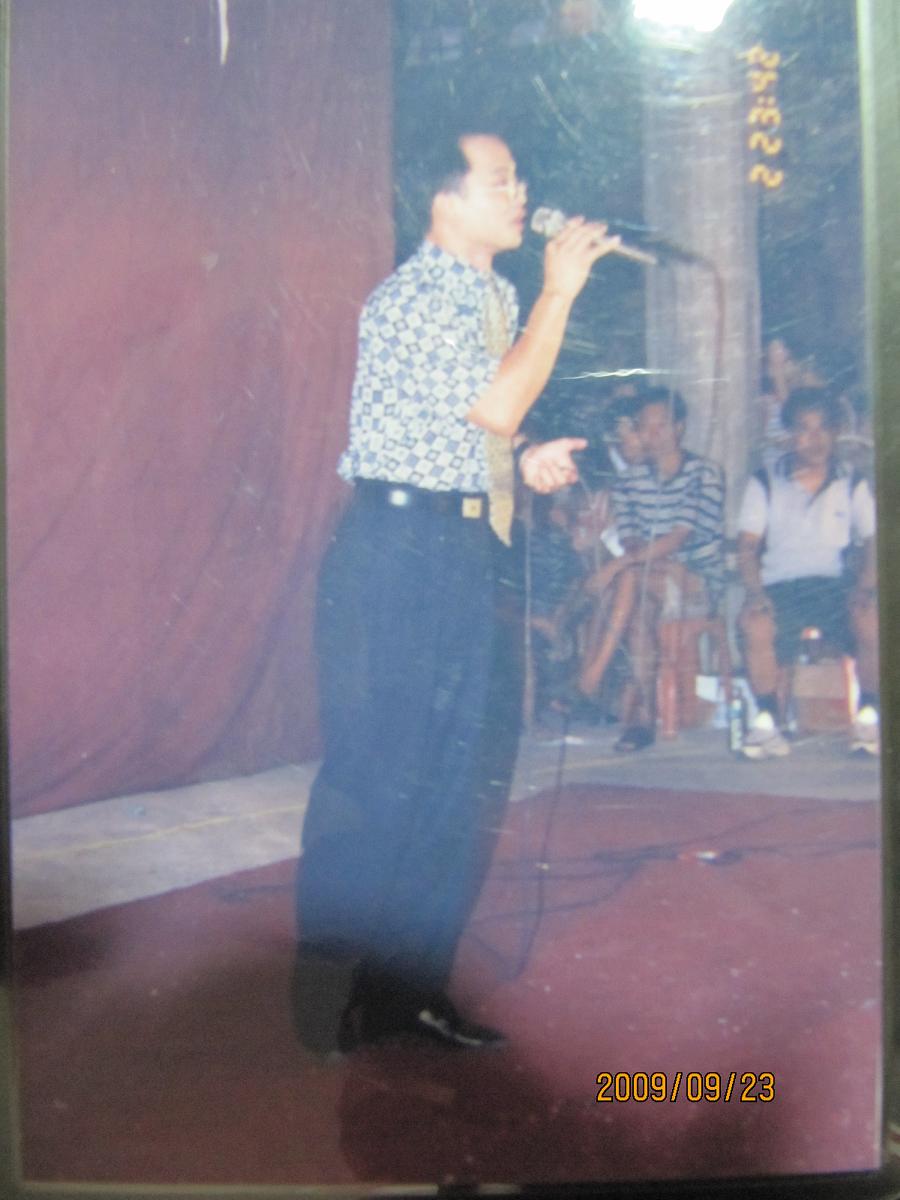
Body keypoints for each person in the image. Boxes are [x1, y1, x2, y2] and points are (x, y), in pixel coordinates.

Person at [292, 128, 620, 1053]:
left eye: (519, 179)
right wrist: (561, 293)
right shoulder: (414, 297)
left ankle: (410, 995)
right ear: (446, 200)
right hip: (393, 550)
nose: (522, 195)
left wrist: (527, 455)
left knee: (449, 781)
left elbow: (478, 417)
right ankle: (324, 1002)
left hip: (461, 545)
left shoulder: (492, 294)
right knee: (377, 776)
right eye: (501, 181)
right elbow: (496, 401)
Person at [736, 387, 879, 758]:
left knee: (872, 618)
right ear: (790, 435)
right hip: (781, 585)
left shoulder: (852, 480)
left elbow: (874, 540)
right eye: (804, 429)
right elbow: (747, 547)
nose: (814, 439)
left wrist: (865, 587)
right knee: (755, 622)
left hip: (834, 584)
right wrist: (755, 592)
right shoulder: (764, 481)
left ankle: (869, 717)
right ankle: (767, 722)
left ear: (834, 431)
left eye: (822, 428)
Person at [600, 389, 725, 752]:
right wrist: (630, 560)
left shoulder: (705, 473)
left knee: (631, 580)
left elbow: (681, 537)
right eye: (645, 426)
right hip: (650, 575)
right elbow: (631, 538)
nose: (653, 434)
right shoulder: (629, 480)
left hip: (698, 578)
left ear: (679, 427)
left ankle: (601, 678)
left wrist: (621, 564)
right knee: (640, 603)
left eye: (662, 425)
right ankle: (642, 715)